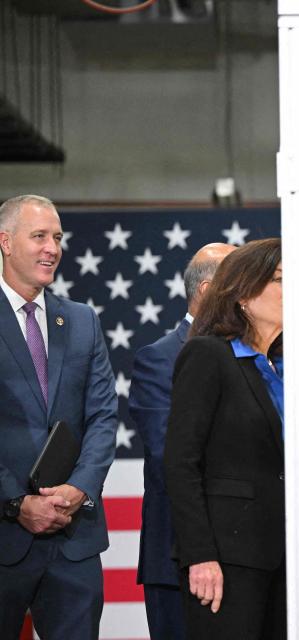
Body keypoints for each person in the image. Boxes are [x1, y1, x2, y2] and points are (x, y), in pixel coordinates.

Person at [0, 194, 118, 639]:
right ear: (5, 242)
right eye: (39, 236)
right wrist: (16, 503)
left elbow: (104, 415)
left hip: (74, 540)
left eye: (58, 237)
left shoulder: (83, 320)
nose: (52, 248)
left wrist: (81, 487)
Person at [164, 238, 285, 639]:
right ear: (244, 295)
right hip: (226, 560)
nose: (295, 292)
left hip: (287, 557)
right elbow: (182, 463)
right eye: (282, 280)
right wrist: (200, 555)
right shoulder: (207, 355)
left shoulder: (286, 364)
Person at [129, 242, 235, 640]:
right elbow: (168, 456)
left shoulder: (260, 358)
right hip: (179, 560)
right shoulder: (159, 359)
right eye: (240, 283)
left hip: (248, 559)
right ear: (207, 292)